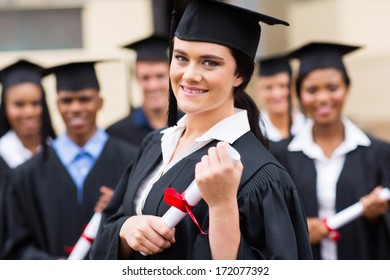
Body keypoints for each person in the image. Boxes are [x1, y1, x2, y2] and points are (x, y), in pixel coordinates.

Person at [90, 0, 312, 260]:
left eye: (209, 63)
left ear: (240, 74)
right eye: (181, 58)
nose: (189, 75)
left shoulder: (261, 176)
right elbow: (108, 225)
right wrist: (126, 230)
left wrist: (222, 207)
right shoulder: (155, 144)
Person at [3, 60, 138, 259]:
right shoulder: (26, 174)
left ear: (100, 102)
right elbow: (15, 246)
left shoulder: (132, 160)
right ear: (57, 104)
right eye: (67, 100)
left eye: (84, 99)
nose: (75, 108)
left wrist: (122, 207)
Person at [271, 42, 390, 259]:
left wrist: (378, 214)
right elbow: (269, 217)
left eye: (332, 88)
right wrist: (298, 229)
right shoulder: (280, 156)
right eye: (312, 90)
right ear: (298, 95)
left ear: (346, 89)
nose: (323, 98)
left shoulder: (379, 153)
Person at [0, 59, 56, 258]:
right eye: (19, 104)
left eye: (35, 103)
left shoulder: (58, 154)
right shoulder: (3, 155)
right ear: (5, 107)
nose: (29, 112)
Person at [106, 34, 172, 147]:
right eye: (145, 78)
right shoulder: (117, 134)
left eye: (160, 76)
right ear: (136, 78)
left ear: (171, 76)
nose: (153, 86)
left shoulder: (188, 125)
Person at [257, 53, 306, 142]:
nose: (276, 94)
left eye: (283, 86)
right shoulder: (256, 130)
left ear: (293, 88)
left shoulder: (306, 126)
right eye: (268, 87)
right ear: (260, 90)